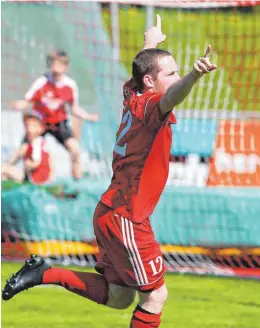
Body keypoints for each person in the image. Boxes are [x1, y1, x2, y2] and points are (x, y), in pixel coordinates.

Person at [2, 15, 217, 328]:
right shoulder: (149, 107)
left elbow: (142, 69)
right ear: (151, 82)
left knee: (120, 297)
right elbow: (171, 95)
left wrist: (150, 44)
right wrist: (194, 76)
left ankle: (43, 272)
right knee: (155, 297)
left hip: (111, 211)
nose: (176, 76)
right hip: (127, 216)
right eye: (171, 73)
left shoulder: (133, 95)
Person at [11, 49, 99, 180]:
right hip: (40, 123)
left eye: (57, 63)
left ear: (65, 66)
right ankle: (6, 170)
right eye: (52, 63)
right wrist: (20, 104)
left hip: (59, 123)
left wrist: (88, 116)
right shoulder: (42, 81)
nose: (54, 66)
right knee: (22, 150)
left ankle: (77, 183)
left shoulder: (70, 85)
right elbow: (27, 101)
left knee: (75, 150)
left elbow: (74, 108)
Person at [2, 113, 54, 185]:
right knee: (7, 170)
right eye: (27, 126)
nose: (29, 129)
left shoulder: (37, 143)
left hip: (34, 179)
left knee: (4, 168)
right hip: (36, 178)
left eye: (33, 126)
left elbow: (36, 162)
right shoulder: (39, 143)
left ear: (41, 129)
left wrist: (29, 164)